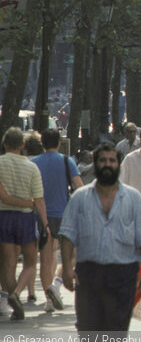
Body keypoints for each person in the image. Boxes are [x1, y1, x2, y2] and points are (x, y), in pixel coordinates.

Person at [59, 141, 141, 342]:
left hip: (122, 276)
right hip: (89, 274)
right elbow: (67, 236)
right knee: (88, 330)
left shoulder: (133, 199)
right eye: (103, 160)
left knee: (114, 334)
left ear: (118, 164)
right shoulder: (80, 198)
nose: (107, 165)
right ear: (96, 164)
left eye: (112, 161)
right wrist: (67, 269)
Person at [30, 127, 82, 313]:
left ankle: (48, 300)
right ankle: (57, 284)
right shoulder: (67, 161)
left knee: (46, 258)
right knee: (72, 253)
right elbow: (79, 186)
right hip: (64, 214)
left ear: (42, 143)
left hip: (41, 215)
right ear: (59, 142)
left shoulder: (34, 163)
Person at [0, 127, 49, 320]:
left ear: (4, 144)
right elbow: (39, 199)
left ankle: (11, 295)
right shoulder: (32, 167)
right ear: (22, 145)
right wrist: (45, 225)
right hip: (25, 218)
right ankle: (17, 292)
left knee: (8, 263)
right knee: (30, 261)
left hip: (3, 217)